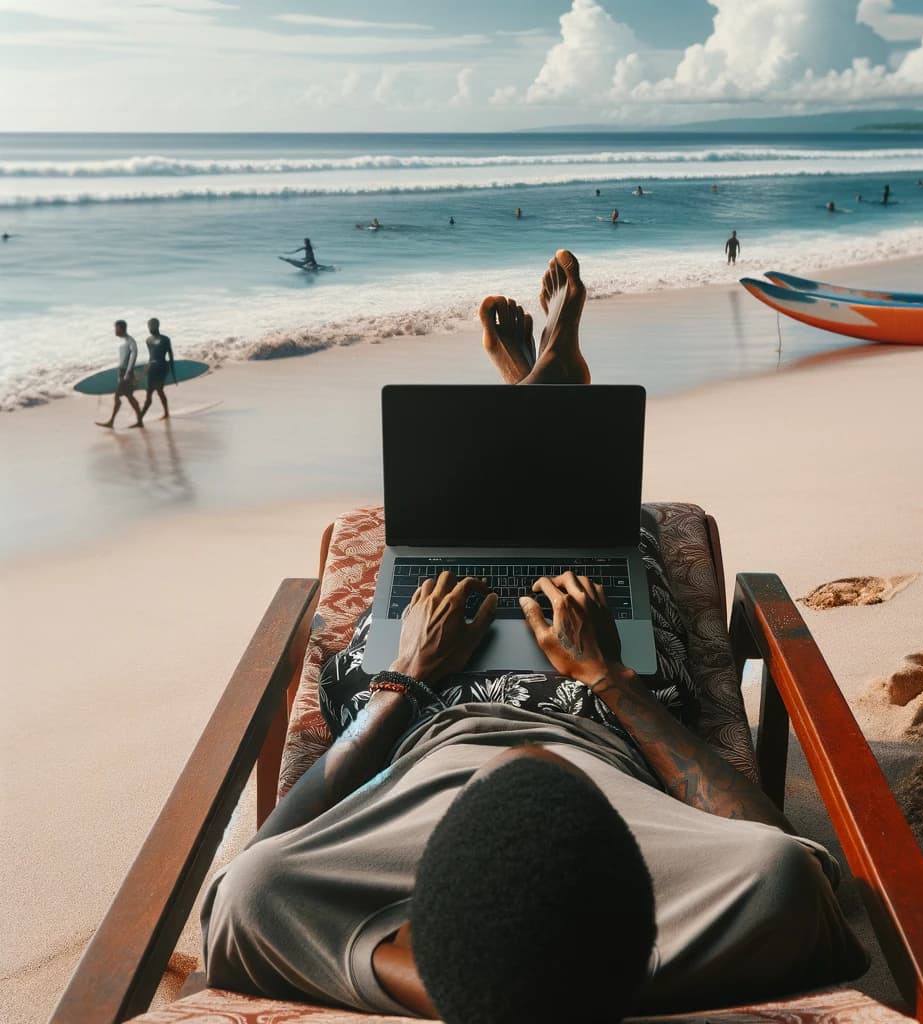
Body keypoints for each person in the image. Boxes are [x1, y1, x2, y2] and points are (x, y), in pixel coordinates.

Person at [201, 250, 869, 1024]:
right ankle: (552, 384)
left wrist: (407, 675)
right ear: (623, 952)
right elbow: (781, 850)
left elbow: (253, 868)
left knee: (449, 548)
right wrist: (607, 678)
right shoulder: (770, 899)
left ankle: (544, 386)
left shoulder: (265, 908)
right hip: (601, 719)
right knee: (606, 542)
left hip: (425, 717)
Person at [96, 320, 143, 429]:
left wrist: (127, 374)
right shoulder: (125, 341)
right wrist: (120, 374)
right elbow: (123, 360)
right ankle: (139, 421)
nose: (115, 330)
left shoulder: (131, 341)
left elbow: (133, 357)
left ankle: (111, 422)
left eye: (116, 328)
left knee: (118, 396)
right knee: (129, 397)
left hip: (127, 374)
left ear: (121, 328)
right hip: (123, 373)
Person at [139, 317, 176, 422]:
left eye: (151, 326)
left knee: (156, 392)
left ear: (157, 326)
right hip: (152, 368)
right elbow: (151, 357)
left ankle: (140, 419)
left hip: (162, 367)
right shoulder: (148, 340)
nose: (149, 328)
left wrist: (173, 373)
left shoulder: (165, 339)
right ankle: (141, 418)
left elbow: (171, 355)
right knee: (154, 392)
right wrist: (146, 370)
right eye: (148, 326)